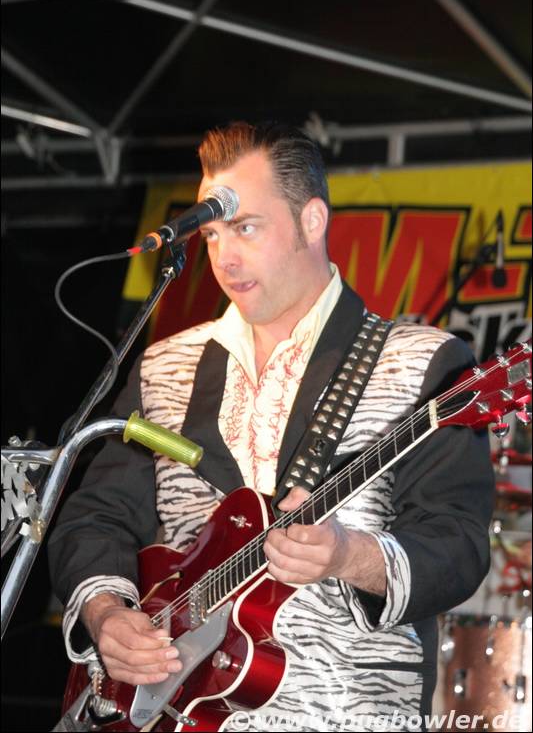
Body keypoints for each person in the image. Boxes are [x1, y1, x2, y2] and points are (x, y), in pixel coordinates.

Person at [49, 121, 494, 732]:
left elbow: (459, 545)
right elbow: (96, 515)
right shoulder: (164, 366)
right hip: (169, 713)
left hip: (348, 714)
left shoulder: (421, 363)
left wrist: (350, 554)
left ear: (312, 220)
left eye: (246, 227)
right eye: (211, 234)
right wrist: (106, 613)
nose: (224, 257)